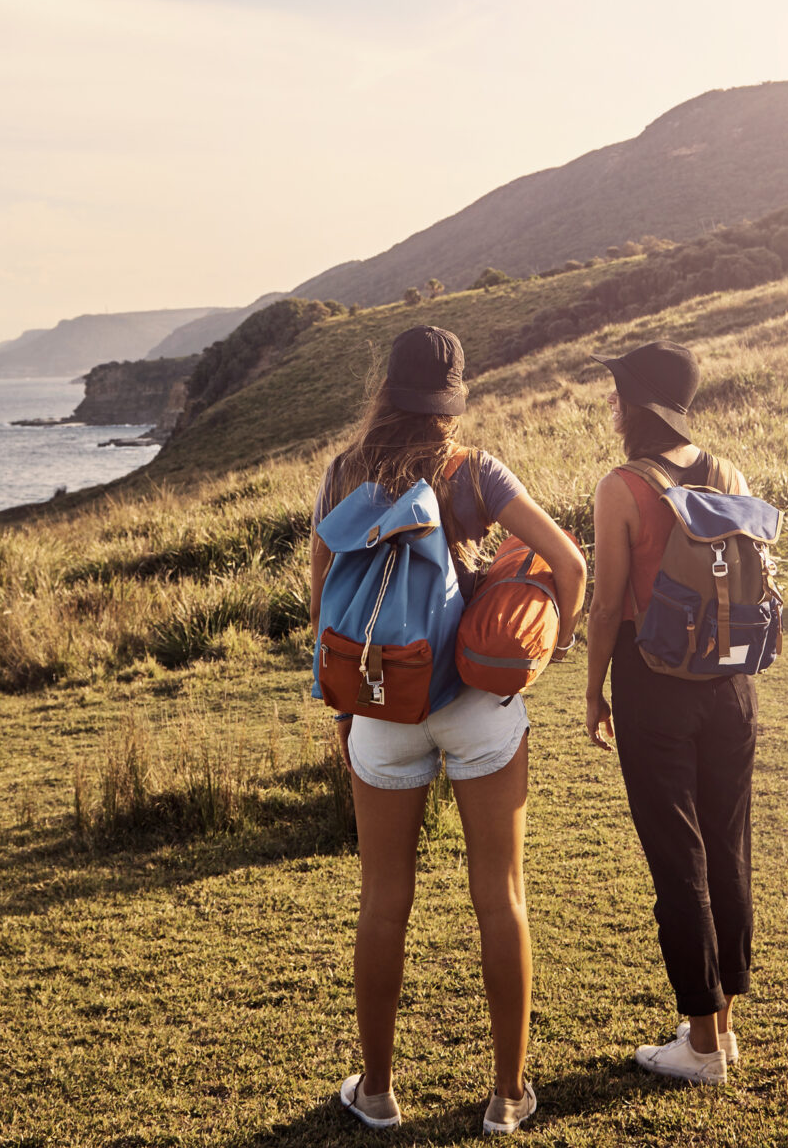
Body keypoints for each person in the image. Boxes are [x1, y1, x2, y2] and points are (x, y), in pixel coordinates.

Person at [309, 325, 587, 1134]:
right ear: (452, 398)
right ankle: (506, 1095)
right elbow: (569, 565)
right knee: (500, 895)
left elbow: (323, 602)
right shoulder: (474, 472)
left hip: (378, 703)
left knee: (383, 899)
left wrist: (342, 711)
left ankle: (378, 1090)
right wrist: (552, 644)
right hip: (476, 703)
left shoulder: (341, 474)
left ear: (386, 389)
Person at [584, 340, 754, 1085]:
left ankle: (700, 1045)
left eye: (616, 393)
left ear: (640, 404)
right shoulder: (729, 472)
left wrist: (592, 691)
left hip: (653, 686)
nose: (609, 406)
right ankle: (722, 1027)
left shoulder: (622, 486)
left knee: (676, 858)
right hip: (731, 687)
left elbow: (608, 605)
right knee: (726, 846)